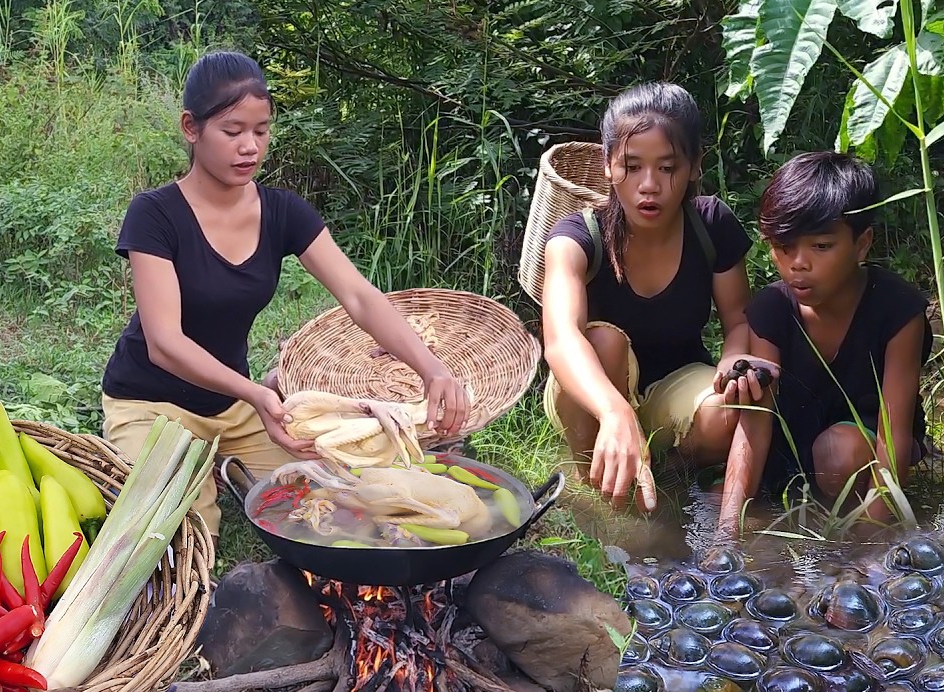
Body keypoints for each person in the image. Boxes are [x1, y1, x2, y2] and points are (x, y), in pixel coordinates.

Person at [99, 51, 470, 538]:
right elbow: (164, 342)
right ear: (191, 128)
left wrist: (431, 368)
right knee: (178, 533)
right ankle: (182, 473)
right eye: (232, 132)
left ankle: (214, 462)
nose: (249, 147)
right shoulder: (155, 214)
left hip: (234, 408)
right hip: (151, 403)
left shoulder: (282, 212)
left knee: (328, 497)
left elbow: (359, 296)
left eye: (261, 130)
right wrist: (257, 393)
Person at [540, 81, 767, 512]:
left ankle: (665, 481)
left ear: (694, 166)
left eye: (667, 168)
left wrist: (730, 364)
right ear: (607, 164)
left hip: (676, 382)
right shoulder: (575, 238)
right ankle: (599, 488)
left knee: (729, 407)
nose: (649, 185)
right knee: (603, 340)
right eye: (632, 165)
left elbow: (739, 320)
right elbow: (561, 339)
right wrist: (614, 411)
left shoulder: (710, 225)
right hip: (594, 392)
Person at [716, 151, 933, 536]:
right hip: (795, 448)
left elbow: (894, 433)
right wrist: (726, 533)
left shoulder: (898, 310)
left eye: (821, 247)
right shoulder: (771, 310)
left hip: (860, 444)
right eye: (785, 247)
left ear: (862, 244)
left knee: (837, 453)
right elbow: (756, 424)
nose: (798, 263)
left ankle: (847, 532)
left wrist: (870, 545)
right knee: (722, 495)